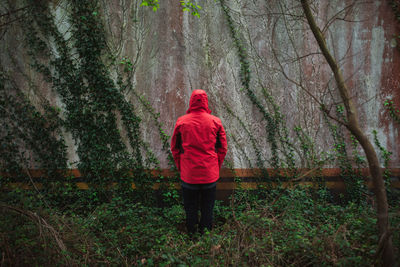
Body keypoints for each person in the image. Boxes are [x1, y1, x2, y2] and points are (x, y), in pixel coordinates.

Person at [171, 89, 227, 235]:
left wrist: (181, 167)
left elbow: (175, 149)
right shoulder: (216, 122)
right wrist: (215, 167)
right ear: (206, 102)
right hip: (209, 175)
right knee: (208, 207)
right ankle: (206, 238)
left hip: (188, 175)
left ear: (191, 101)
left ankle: (192, 236)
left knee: (190, 207)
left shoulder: (181, 122)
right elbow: (222, 149)